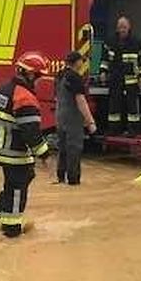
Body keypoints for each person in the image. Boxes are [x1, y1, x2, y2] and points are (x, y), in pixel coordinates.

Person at [0, 51, 51, 237]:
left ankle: (1, 206)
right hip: (13, 154)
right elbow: (32, 134)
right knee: (17, 187)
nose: (39, 82)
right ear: (31, 75)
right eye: (39, 77)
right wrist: (45, 156)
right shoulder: (25, 99)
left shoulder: (0, 89)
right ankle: (11, 231)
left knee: (23, 176)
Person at [99, 15, 141, 134]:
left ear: (129, 27)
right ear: (117, 28)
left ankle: (133, 130)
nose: (122, 29)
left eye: (124, 27)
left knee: (132, 107)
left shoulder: (136, 42)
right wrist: (103, 72)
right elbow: (104, 59)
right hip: (115, 78)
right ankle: (114, 130)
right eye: (120, 27)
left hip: (131, 79)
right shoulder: (110, 41)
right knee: (114, 106)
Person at [55, 51, 96, 185]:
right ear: (77, 62)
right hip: (72, 118)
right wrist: (90, 121)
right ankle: (73, 180)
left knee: (62, 148)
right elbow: (81, 101)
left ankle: (60, 177)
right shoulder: (75, 77)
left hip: (60, 116)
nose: (83, 63)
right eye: (81, 61)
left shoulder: (60, 75)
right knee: (74, 148)